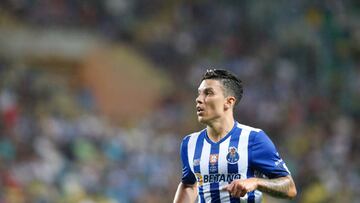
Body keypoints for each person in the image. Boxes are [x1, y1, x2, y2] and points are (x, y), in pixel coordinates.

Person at [173, 69, 297, 203]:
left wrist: (256, 182)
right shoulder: (190, 143)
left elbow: (289, 188)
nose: (199, 99)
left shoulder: (253, 138)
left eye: (208, 93)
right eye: (199, 93)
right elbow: (189, 185)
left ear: (229, 102)